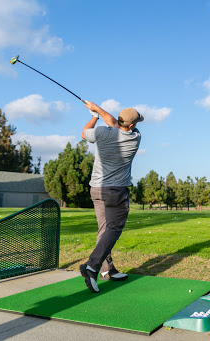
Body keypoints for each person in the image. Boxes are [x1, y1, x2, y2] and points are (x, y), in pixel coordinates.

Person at [79, 100, 144, 293]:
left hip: (96, 189)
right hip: (115, 191)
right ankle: (92, 266)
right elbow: (116, 124)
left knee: (104, 229)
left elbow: (85, 133)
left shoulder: (101, 133)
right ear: (131, 126)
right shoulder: (135, 137)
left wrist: (94, 116)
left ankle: (107, 270)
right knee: (113, 229)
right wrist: (97, 108)